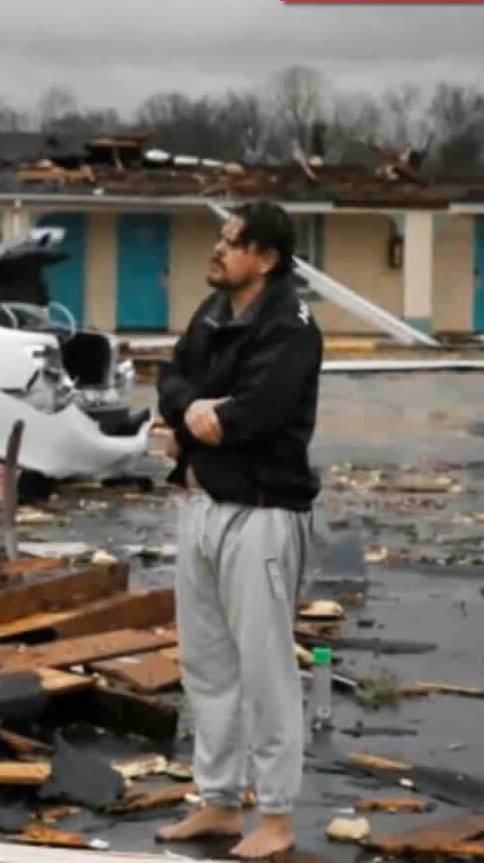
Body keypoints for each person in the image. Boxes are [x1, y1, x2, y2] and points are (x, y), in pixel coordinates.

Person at [154, 200, 324, 860]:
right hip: (201, 506)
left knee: (266, 668)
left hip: (261, 513)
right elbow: (171, 379)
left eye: (232, 242)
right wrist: (192, 410)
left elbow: (257, 413)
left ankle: (276, 817)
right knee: (207, 665)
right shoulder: (213, 312)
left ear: (267, 258)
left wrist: (201, 424)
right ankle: (220, 802)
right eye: (220, 238)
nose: (218, 249)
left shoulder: (290, 326)